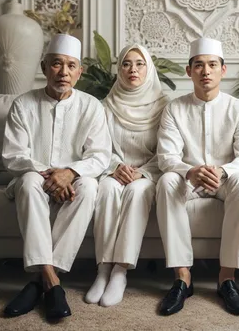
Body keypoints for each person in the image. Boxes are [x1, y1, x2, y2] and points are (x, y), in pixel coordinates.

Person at [2, 34, 112, 321]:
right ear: (44, 66)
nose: (63, 72)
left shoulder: (92, 106)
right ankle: (53, 282)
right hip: (34, 176)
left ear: (79, 72)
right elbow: (13, 155)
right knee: (28, 182)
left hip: (74, 180)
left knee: (88, 186)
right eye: (56, 64)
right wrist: (51, 175)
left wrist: (71, 172)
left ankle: (39, 281)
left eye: (70, 66)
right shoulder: (23, 104)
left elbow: (100, 156)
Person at [156, 37, 239, 316]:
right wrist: (190, 171)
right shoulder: (174, 109)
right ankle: (182, 278)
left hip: (225, 181)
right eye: (199, 65)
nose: (206, 71)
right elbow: (166, 157)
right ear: (189, 71)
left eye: (212, 65)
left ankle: (227, 278)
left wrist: (223, 171)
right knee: (166, 180)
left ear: (223, 70)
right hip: (188, 179)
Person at [85, 44, 169, 307]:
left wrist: (142, 172)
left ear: (149, 68)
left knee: (137, 191)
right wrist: (116, 166)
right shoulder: (106, 105)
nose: (133, 69)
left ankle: (121, 271)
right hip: (114, 171)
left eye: (139, 63)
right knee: (107, 190)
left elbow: (168, 151)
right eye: (126, 63)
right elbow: (99, 147)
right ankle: (103, 269)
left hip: (147, 174)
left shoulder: (165, 106)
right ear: (119, 69)